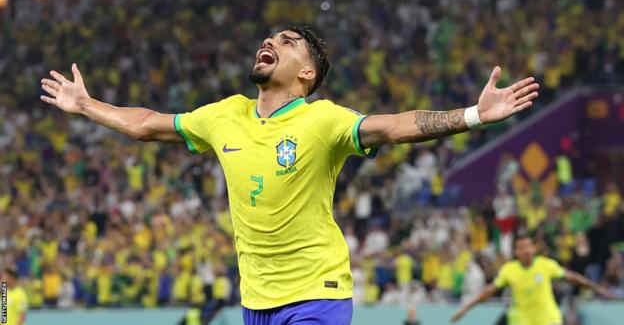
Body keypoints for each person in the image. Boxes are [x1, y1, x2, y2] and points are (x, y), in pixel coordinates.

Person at [40, 25, 539, 325]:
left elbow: (393, 127)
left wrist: (472, 116)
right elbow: (146, 124)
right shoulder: (223, 115)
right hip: (256, 300)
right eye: (270, 37)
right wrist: (85, 104)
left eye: (287, 41)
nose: (270, 41)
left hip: (317, 292)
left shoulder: (322, 120)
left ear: (306, 75)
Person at [451, 234, 615, 325]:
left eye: (529, 246)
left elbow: (572, 277)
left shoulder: (546, 265)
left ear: (534, 248)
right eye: (522, 247)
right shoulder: (509, 270)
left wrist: (597, 288)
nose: (527, 250)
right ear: (516, 252)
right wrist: (465, 308)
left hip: (549, 320)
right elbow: (489, 290)